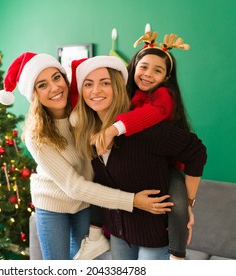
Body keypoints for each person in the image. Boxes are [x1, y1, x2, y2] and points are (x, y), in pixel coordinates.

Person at [0, 52, 173, 260]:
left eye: (56, 77)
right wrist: (132, 200)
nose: (54, 88)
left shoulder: (87, 111)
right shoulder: (36, 135)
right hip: (53, 202)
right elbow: (73, 186)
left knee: (84, 263)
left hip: (86, 202)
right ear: (34, 94)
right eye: (42, 85)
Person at [73, 30, 196, 260]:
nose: (148, 74)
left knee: (178, 203)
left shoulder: (162, 99)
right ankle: (95, 234)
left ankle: (178, 255)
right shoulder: (123, 104)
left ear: (166, 77)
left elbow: (153, 117)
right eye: (144, 67)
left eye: (157, 70)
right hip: (121, 233)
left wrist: (190, 202)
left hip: (171, 169)